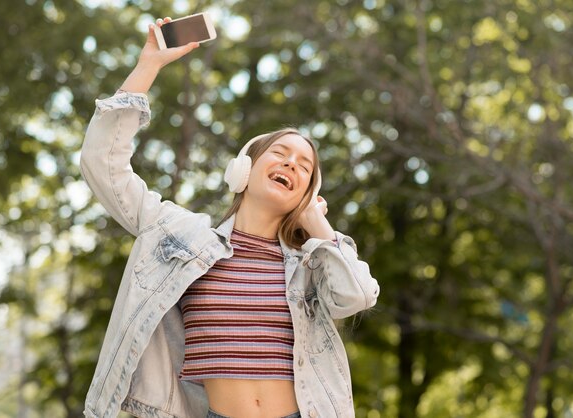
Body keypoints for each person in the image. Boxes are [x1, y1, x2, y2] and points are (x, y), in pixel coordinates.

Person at [80, 17, 379, 418]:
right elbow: (103, 166)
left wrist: (316, 223)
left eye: (304, 166)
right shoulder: (178, 233)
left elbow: (356, 296)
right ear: (243, 170)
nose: (291, 163)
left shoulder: (309, 262)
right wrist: (148, 65)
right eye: (280, 153)